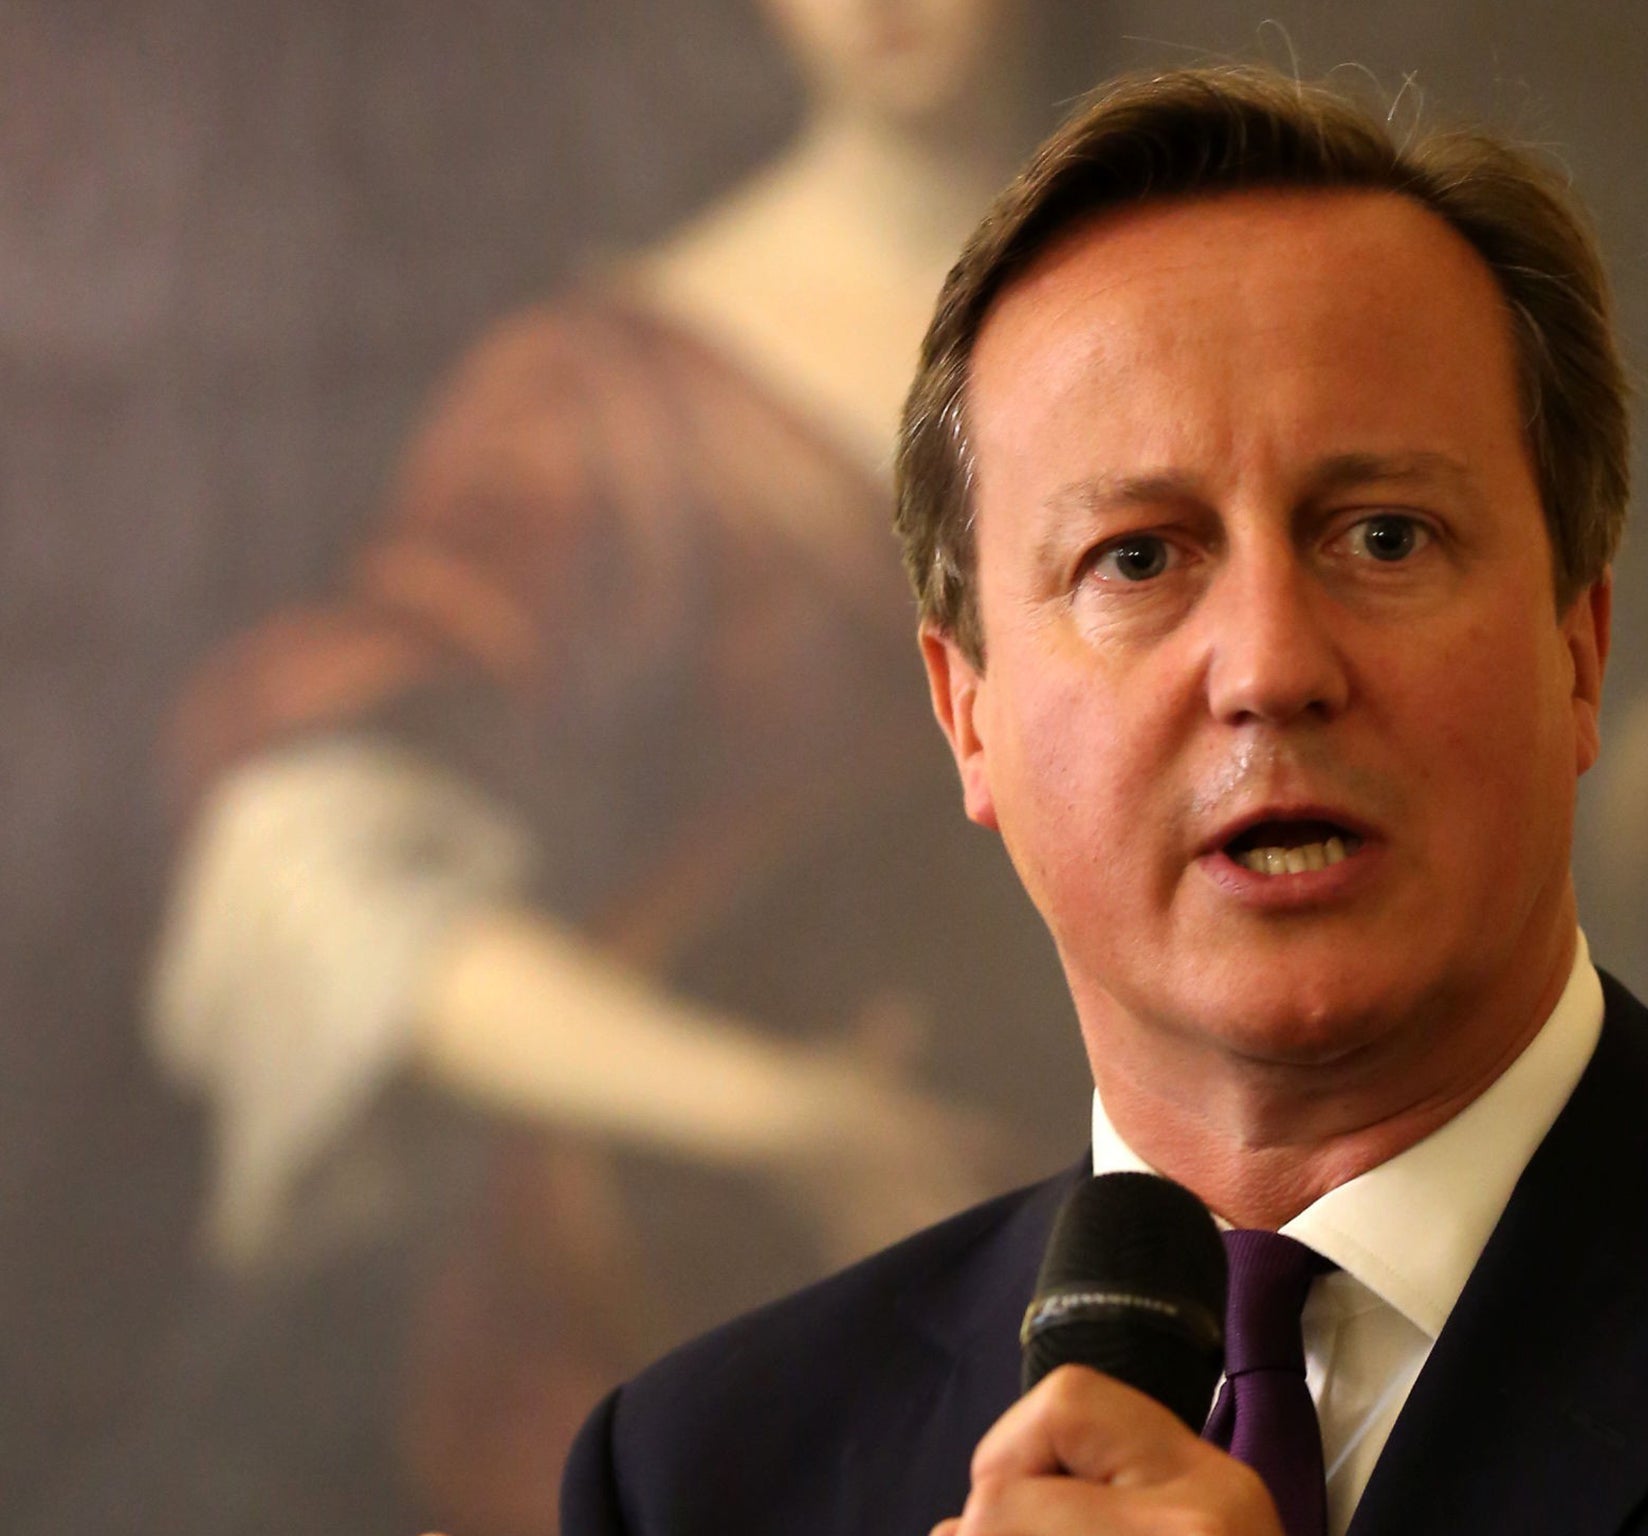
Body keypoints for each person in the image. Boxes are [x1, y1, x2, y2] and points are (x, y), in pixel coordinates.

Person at [559, 65, 1648, 1536]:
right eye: (1137, 559)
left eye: (1386, 536)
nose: (1271, 667)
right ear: (969, 713)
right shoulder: (697, 1478)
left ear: (1579, 648)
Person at [130, 3, 1088, 1533]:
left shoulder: (1194, 321)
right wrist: (779, 1114)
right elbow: (300, 852)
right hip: (669, 1315)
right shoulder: (606, 397)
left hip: (1106, 1258)